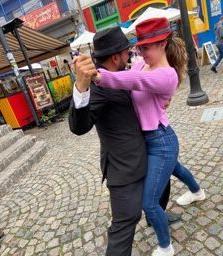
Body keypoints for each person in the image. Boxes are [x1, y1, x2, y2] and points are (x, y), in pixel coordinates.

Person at [88, 18, 206, 256]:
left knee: (149, 203)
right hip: (149, 140)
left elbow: (134, 81)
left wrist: (99, 76)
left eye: (147, 46)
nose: (140, 51)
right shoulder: (142, 63)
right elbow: (131, 73)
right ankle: (197, 191)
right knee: (176, 168)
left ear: (162, 43)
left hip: (161, 141)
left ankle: (166, 246)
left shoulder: (167, 74)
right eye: (139, 46)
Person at [69, 27, 180, 256]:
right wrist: (80, 87)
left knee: (162, 187)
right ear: (116, 56)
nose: (130, 56)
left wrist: (162, 98)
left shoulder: (123, 70)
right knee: (125, 224)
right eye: (126, 53)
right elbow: (79, 127)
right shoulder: (96, 85)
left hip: (149, 149)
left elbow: (141, 81)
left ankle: (156, 217)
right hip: (124, 167)